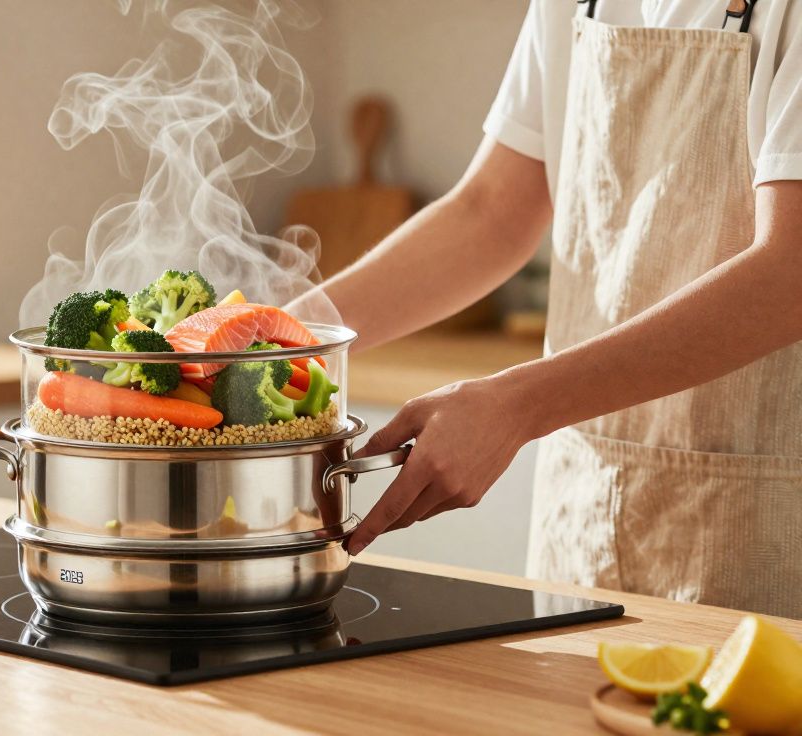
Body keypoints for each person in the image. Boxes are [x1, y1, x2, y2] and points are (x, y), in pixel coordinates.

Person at [292, 0, 802, 618]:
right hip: (584, 517)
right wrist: (278, 339)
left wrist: (518, 405)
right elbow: (491, 211)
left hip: (761, 530)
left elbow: (789, 272)